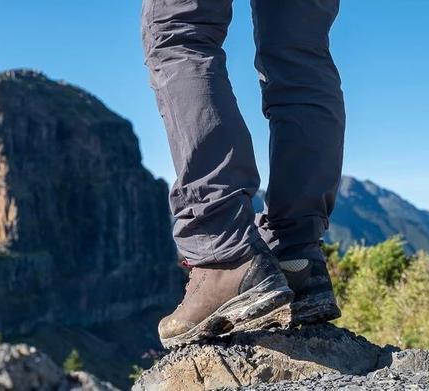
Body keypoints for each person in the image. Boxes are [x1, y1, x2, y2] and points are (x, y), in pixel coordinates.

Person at [141, 0, 345, 348]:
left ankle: (224, 254)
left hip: (226, 249)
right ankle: (296, 255)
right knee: (300, 54)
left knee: (178, 32)